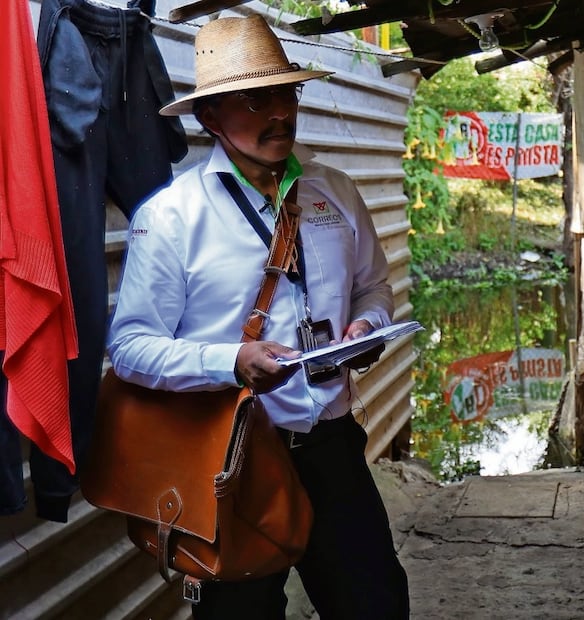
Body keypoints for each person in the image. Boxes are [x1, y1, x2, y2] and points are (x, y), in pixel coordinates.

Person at [106, 15, 409, 619]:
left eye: (285, 92)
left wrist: (368, 328)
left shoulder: (336, 192)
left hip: (331, 446)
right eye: (255, 98)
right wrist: (230, 362)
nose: (278, 112)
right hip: (231, 458)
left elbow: (374, 289)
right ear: (209, 117)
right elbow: (131, 348)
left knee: (376, 604)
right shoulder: (172, 217)